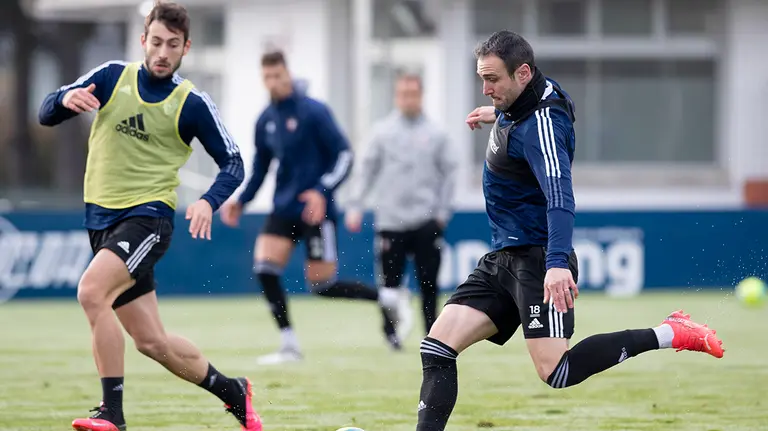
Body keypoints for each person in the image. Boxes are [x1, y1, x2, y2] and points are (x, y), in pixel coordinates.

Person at [414, 30, 725, 431]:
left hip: (537, 260)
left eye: (493, 80)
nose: (486, 88)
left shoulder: (541, 128)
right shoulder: (533, 98)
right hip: (502, 257)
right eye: (482, 78)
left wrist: (557, 264)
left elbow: (561, 197)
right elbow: (556, 104)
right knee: (436, 347)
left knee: (556, 372)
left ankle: (670, 332)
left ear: (523, 73)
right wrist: (501, 113)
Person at [38, 3, 261, 431]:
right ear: (143, 40)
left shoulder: (190, 102)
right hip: (101, 223)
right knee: (151, 342)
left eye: (172, 45)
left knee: (91, 292)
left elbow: (233, 162)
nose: (162, 52)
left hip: (147, 220)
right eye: (155, 42)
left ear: (185, 48)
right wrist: (63, 99)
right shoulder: (110, 77)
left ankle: (112, 414)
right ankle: (234, 392)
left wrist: (208, 201)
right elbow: (47, 113)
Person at [220, 50, 411, 363]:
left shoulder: (314, 112)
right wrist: (241, 200)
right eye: (267, 77)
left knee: (322, 285)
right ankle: (289, 344)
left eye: (278, 75)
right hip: (283, 208)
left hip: (316, 212)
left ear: (288, 73)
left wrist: (322, 191)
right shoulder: (265, 120)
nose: (273, 82)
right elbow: (261, 168)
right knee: (265, 269)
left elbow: (344, 155)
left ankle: (386, 297)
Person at [345, 72, 458, 340]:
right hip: (391, 221)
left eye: (413, 94)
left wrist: (442, 212)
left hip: (425, 220)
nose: (408, 99)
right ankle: (391, 332)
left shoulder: (437, 134)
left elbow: (450, 173)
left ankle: (433, 334)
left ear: (421, 96)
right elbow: (367, 170)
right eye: (403, 94)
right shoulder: (381, 132)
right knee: (389, 285)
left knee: (429, 284)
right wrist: (355, 204)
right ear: (396, 97)